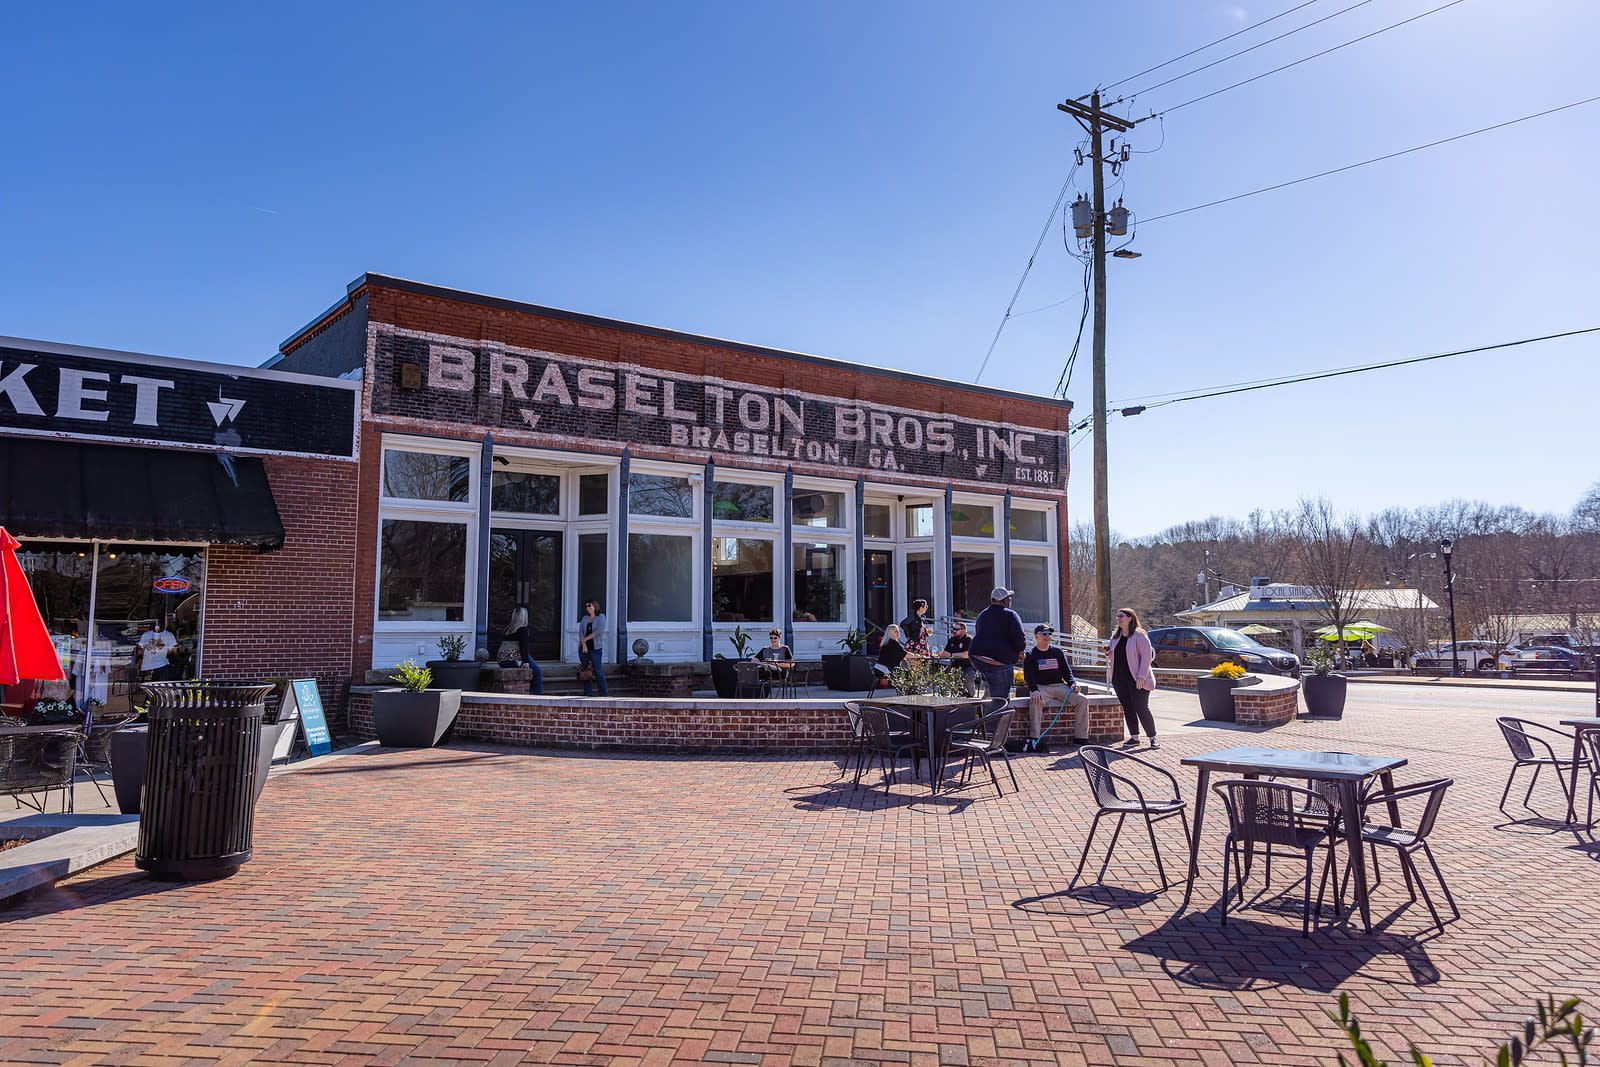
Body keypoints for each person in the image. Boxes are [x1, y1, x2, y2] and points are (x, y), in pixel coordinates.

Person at [1023, 624, 1089, 746]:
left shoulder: (1057, 652)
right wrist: (1034, 690)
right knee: (1035, 701)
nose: (1047, 636)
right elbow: (1029, 677)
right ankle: (1034, 738)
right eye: (1044, 634)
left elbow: (1066, 671)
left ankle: (1081, 737)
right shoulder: (1031, 655)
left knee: (1082, 700)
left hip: (1059, 686)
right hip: (1041, 688)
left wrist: (1073, 683)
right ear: (1036, 636)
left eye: (1049, 634)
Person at [1106, 608, 1159, 749]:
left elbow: (1147, 657)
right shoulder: (1115, 637)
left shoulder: (1139, 635)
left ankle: (1153, 738)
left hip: (1137, 679)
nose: (1118, 618)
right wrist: (1108, 652)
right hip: (1119, 678)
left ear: (1130, 618)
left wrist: (1141, 676)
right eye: (1117, 616)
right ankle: (1134, 737)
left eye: (1121, 616)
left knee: (1141, 708)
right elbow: (1113, 654)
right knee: (1128, 708)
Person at [970, 586, 1026, 699]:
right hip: (999, 662)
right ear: (1005, 600)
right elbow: (1020, 639)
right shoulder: (1010, 614)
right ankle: (995, 713)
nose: (1010, 600)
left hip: (977, 658)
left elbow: (980, 633)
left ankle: (986, 700)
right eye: (1009, 598)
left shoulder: (983, 614)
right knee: (1000, 701)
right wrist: (1020, 652)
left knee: (990, 688)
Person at [501, 606, 544, 694]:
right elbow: (523, 647)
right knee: (537, 671)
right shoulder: (523, 630)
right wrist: (526, 662)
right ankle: (538, 696)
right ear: (524, 617)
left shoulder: (508, 630)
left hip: (502, 660)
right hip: (514, 659)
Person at [578, 600, 608, 696]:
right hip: (584, 649)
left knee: (598, 671)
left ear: (595, 606)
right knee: (586, 671)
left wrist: (585, 639)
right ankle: (588, 694)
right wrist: (584, 644)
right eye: (586, 606)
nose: (588, 608)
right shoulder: (584, 618)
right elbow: (580, 632)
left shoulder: (601, 617)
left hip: (596, 649)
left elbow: (598, 631)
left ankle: (604, 694)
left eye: (589, 605)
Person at [940, 619, 974, 692]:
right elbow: (945, 653)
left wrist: (951, 654)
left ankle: (970, 694)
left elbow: (966, 655)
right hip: (954, 665)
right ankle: (952, 694)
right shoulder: (952, 640)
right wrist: (938, 653)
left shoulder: (968, 639)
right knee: (942, 675)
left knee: (968, 676)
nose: (954, 631)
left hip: (967, 665)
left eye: (956, 629)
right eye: (953, 629)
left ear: (964, 630)